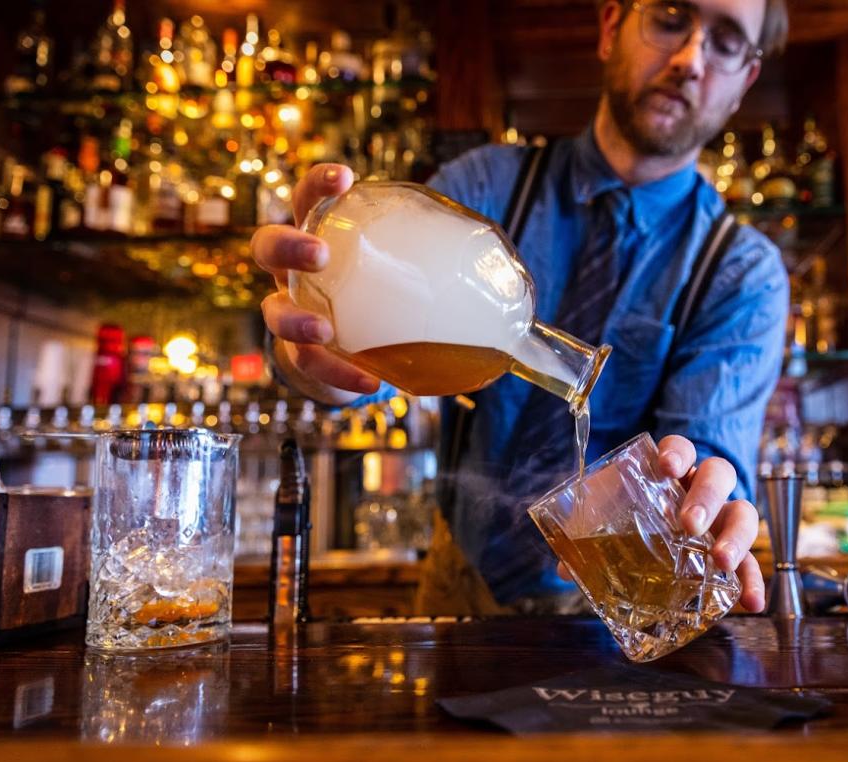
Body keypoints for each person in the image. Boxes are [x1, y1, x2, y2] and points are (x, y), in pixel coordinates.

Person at [253, 0, 790, 616]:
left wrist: (706, 504)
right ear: (612, 27)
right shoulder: (488, 185)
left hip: (621, 609)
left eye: (725, 42)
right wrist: (312, 352)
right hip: (461, 594)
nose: (691, 60)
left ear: (746, 80)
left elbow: (705, 450)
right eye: (670, 17)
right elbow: (361, 365)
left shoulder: (742, 270)